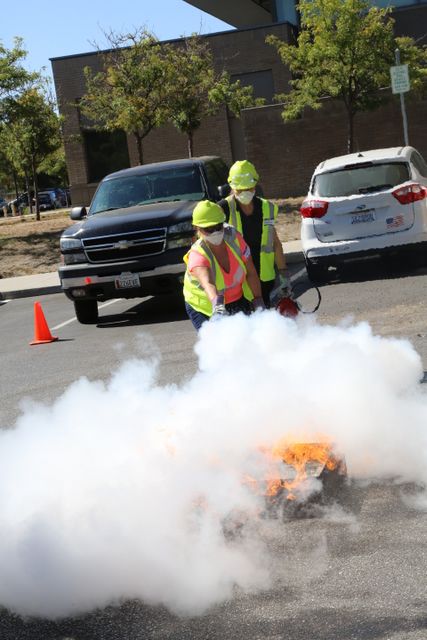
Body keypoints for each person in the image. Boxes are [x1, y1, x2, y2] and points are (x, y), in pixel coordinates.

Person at [219, 160, 293, 308]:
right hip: (238, 282)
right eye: (240, 190)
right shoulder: (222, 209)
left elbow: (275, 243)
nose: (245, 192)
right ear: (232, 187)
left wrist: (284, 276)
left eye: (249, 188)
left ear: (255, 185)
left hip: (264, 278)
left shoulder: (267, 208)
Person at [183, 199, 264, 331]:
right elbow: (208, 283)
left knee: (247, 337)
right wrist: (218, 307)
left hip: (236, 299)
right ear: (197, 228)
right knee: (218, 342)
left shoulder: (235, 239)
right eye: (209, 229)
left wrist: (258, 301)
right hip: (204, 308)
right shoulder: (197, 255)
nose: (215, 232)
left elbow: (251, 272)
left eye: (218, 226)